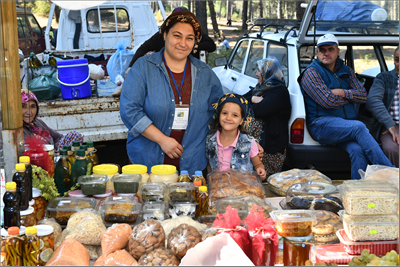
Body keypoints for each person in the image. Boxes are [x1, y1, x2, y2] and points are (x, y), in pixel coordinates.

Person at [120, 10, 223, 176]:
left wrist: (245, 140)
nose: (183, 43)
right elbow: (130, 110)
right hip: (148, 161)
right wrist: (162, 140)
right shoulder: (143, 67)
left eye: (189, 38)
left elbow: (220, 111)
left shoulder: (205, 73)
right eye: (177, 35)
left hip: (191, 163)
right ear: (165, 34)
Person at [298, 33, 394, 179]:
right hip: (321, 125)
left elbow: (363, 96)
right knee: (359, 127)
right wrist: (351, 97)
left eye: (330, 49)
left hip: (345, 126)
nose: (326, 53)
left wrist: (343, 92)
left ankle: (357, 190)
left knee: (357, 150)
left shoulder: (346, 70)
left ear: (338, 51)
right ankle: (389, 172)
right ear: (317, 52)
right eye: (322, 50)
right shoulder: (311, 73)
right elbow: (327, 101)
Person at [243, 58, 291, 178]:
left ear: (268, 73)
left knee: (265, 180)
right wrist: (252, 99)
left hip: (270, 149)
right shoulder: (259, 89)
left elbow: (258, 110)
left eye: (259, 70)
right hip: (257, 148)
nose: (256, 74)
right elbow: (237, 100)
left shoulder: (280, 92)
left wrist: (248, 104)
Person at [126, 6, 216, 71]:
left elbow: (212, 46)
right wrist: (131, 67)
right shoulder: (162, 34)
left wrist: (192, 46)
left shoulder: (195, 34)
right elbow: (144, 48)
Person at [206, 93, 267, 180]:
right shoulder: (210, 141)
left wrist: (260, 169)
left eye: (235, 115)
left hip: (242, 189)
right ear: (219, 115)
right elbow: (209, 167)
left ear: (242, 120)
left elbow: (257, 164)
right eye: (224, 113)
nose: (228, 118)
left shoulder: (249, 143)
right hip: (218, 190)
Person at [0, 90, 83, 151]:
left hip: (54, 156)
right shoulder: (9, 127)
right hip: (33, 163)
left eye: (33, 106)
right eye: (23, 106)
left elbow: (58, 137)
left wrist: (60, 151)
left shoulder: (38, 123)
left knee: (75, 135)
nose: (29, 112)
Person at [366, 46, 399, 167]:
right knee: (391, 149)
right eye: (397, 60)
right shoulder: (384, 78)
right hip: (390, 125)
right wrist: (389, 123)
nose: (399, 64)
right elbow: (372, 101)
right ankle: (394, 181)